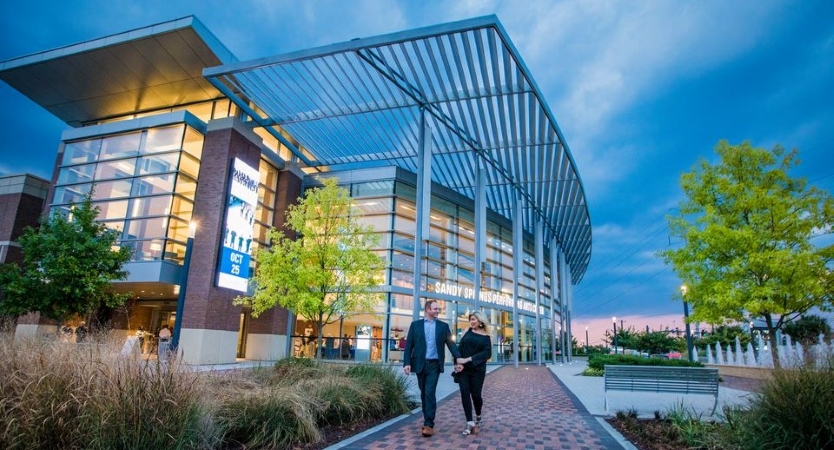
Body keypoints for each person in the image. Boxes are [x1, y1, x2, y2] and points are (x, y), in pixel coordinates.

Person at [403, 299, 461, 438]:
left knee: (429, 392)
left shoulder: (443, 326)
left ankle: (429, 424)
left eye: (438, 309)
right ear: (428, 309)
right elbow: (409, 345)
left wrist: (458, 359)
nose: (437, 311)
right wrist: (406, 363)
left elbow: (451, 344)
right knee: (424, 393)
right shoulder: (415, 325)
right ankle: (427, 417)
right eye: (435, 309)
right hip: (419, 364)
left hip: (434, 365)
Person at [453, 310, 492, 436]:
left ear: (480, 321)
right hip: (464, 369)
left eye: (474, 319)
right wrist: (458, 363)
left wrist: (469, 359)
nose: (471, 322)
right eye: (470, 320)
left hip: (477, 370)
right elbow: (460, 349)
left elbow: (487, 354)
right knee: (465, 393)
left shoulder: (487, 337)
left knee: (476, 395)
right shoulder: (466, 331)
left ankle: (479, 415)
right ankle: (469, 422)